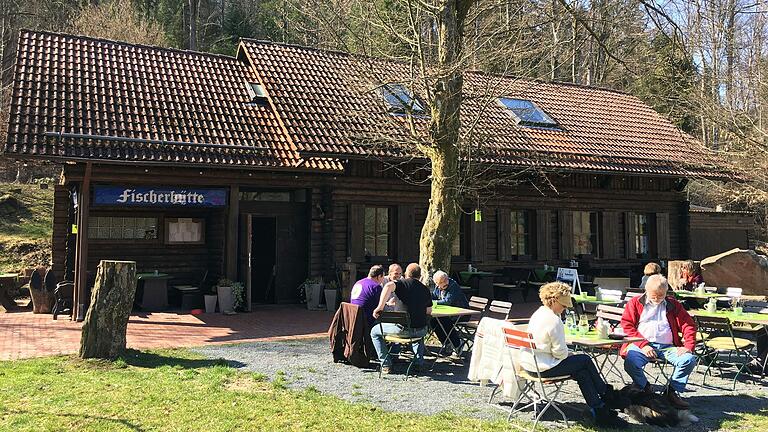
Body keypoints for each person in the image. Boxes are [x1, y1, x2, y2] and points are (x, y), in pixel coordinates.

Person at [520, 282, 627, 427]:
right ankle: (606, 395)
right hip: (544, 367)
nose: (565, 310)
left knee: (582, 372)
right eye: (564, 306)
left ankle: (599, 408)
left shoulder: (539, 313)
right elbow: (560, 353)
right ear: (555, 301)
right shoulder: (553, 320)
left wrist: (568, 355)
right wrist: (569, 354)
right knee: (584, 359)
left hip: (530, 364)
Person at [621, 274, 697, 409]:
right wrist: (643, 345)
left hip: (667, 347)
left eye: (660, 296)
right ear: (646, 289)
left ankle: (672, 392)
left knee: (689, 359)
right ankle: (646, 388)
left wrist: (688, 346)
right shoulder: (635, 303)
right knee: (631, 362)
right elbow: (627, 326)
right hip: (640, 345)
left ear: (666, 292)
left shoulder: (673, 304)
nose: (656, 299)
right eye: (653, 296)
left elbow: (688, 325)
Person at [370, 263, 433, 374]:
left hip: (402, 329)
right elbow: (429, 312)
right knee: (418, 331)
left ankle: (386, 364)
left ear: (406, 273)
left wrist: (380, 307)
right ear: (420, 276)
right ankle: (418, 362)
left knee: (374, 331)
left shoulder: (402, 284)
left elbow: (388, 286)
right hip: (421, 330)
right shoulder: (425, 289)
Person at [431, 270, 469, 356]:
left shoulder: (453, 285)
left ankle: (457, 344)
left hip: (462, 314)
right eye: (441, 282)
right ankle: (447, 343)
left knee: (443, 320)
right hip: (447, 313)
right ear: (436, 283)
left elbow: (447, 301)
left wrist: (433, 302)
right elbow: (433, 297)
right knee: (433, 321)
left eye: (445, 280)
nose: (445, 283)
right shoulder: (438, 288)